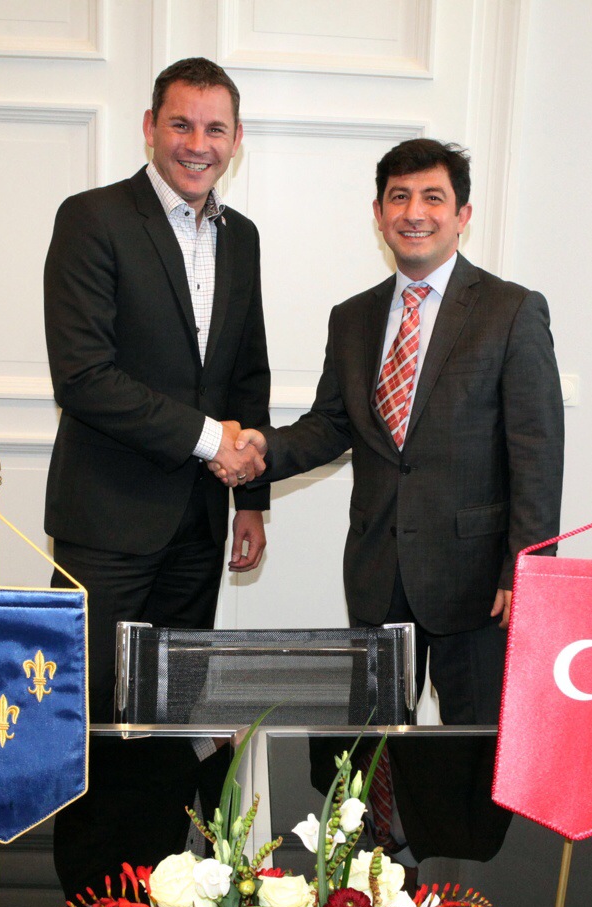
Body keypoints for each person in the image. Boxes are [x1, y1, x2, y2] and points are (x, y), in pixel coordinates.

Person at [215, 138, 564, 725]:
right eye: (398, 197)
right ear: (378, 215)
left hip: (478, 582)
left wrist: (526, 570)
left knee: (475, 750)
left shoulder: (512, 311)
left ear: (463, 216)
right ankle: (385, 824)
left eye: (433, 196)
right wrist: (262, 449)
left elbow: (537, 454)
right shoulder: (352, 318)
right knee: (374, 746)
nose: (414, 212)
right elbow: (330, 425)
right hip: (379, 570)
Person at [44, 57, 270, 904]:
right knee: (98, 716)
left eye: (216, 129)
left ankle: (161, 892)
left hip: (197, 529)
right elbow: (85, 376)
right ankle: (93, 906)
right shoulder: (94, 219)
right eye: (182, 124)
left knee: (171, 718)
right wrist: (214, 440)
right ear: (150, 127)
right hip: (107, 526)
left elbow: (245, 369)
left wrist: (249, 497)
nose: (197, 144)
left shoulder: (241, 238)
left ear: (236, 141)